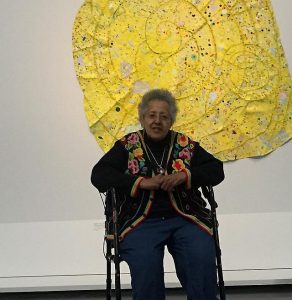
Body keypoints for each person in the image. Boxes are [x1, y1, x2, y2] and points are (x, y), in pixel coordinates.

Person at [91, 89, 224, 300]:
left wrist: (184, 176)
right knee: (146, 265)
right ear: (142, 118)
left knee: (200, 257)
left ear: (171, 121)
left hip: (184, 218)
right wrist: (141, 182)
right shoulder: (128, 146)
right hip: (139, 221)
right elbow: (99, 175)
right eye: (152, 115)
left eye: (164, 116)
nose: (157, 121)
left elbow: (216, 170)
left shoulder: (185, 145)